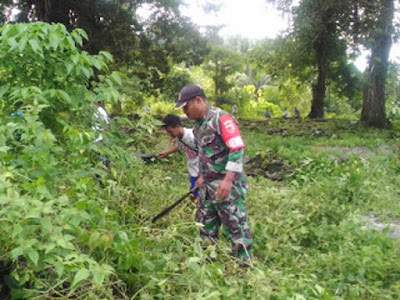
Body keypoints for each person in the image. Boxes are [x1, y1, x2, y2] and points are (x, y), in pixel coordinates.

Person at [175, 84, 253, 262]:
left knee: (235, 224)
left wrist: (227, 181)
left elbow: (237, 148)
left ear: (198, 100)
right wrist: (201, 177)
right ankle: (207, 261)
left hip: (227, 185)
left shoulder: (221, 118)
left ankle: (244, 265)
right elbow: (204, 153)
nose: (185, 112)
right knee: (205, 222)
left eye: (186, 106)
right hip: (208, 186)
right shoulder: (197, 125)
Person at [158, 114, 200, 200]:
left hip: (201, 170)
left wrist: (202, 174)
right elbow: (180, 146)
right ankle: (192, 207)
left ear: (177, 127)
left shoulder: (192, 136)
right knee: (193, 192)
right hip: (193, 169)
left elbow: (206, 153)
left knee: (201, 194)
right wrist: (166, 152)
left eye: (170, 131)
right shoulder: (179, 136)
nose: (169, 134)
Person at [92, 101, 109, 166]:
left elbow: (106, 126)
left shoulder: (101, 112)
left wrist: (105, 138)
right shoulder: (93, 111)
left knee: (102, 158)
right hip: (94, 138)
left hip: (100, 138)